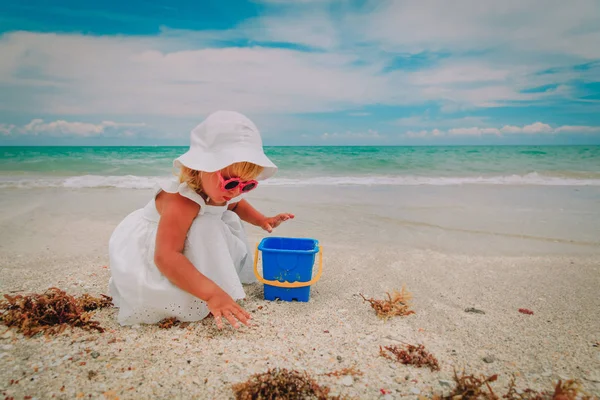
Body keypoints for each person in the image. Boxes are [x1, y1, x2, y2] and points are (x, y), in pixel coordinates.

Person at [108, 110, 294, 329]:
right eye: (230, 182)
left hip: (182, 244)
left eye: (247, 185)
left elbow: (235, 205)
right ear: (200, 167)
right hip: (158, 250)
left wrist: (262, 220)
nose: (236, 191)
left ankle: (210, 285)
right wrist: (211, 294)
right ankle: (205, 290)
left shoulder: (222, 193)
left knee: (219, 221)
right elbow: (166, 256)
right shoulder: (181, 202)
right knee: (206, 226)